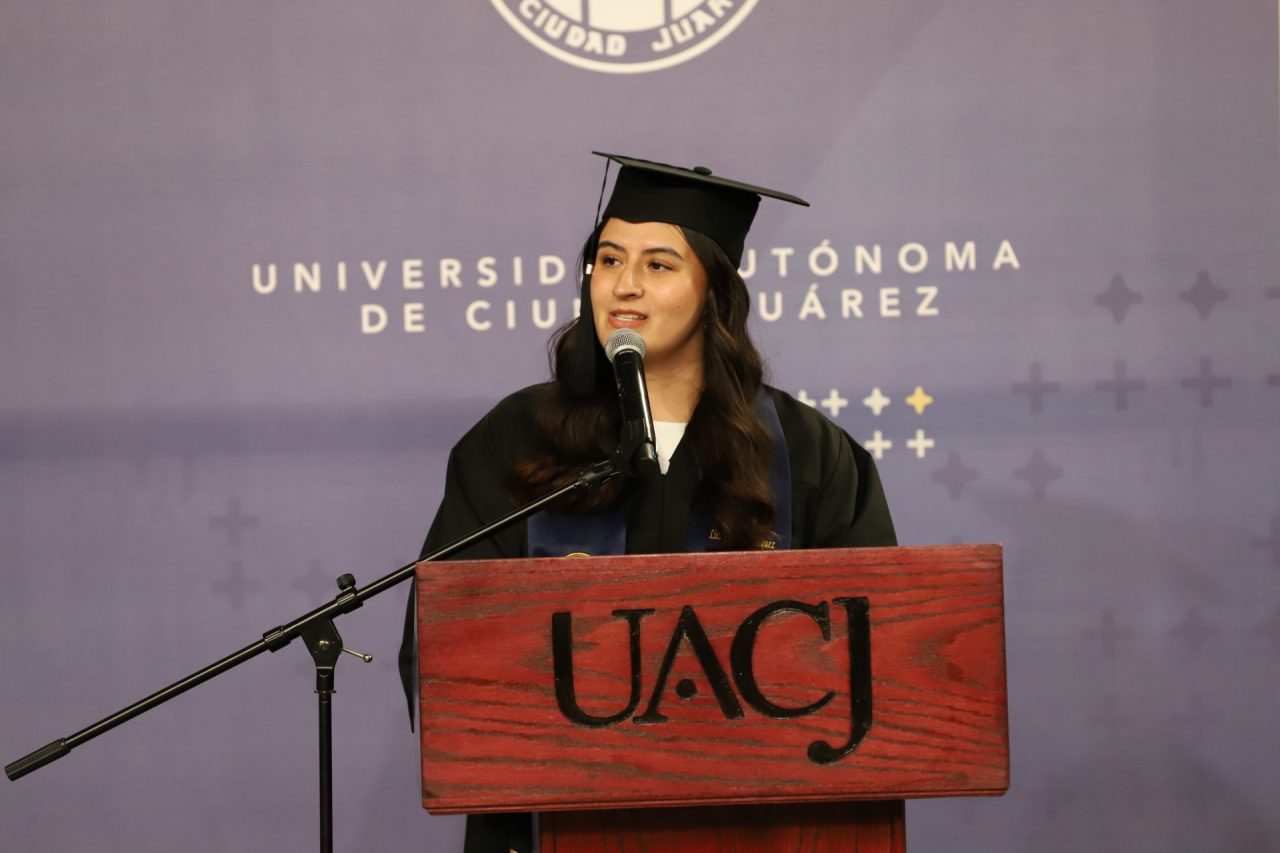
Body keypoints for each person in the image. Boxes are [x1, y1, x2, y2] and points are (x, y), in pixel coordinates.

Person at [399, 152, 896, 853]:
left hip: (762, 827)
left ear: (713, 292)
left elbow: (872, 659)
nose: (623, 285)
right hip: (550, 823)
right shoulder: (515, 438)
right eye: (608, 260)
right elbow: (447, 643)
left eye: (659, 264)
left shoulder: (808, 453)